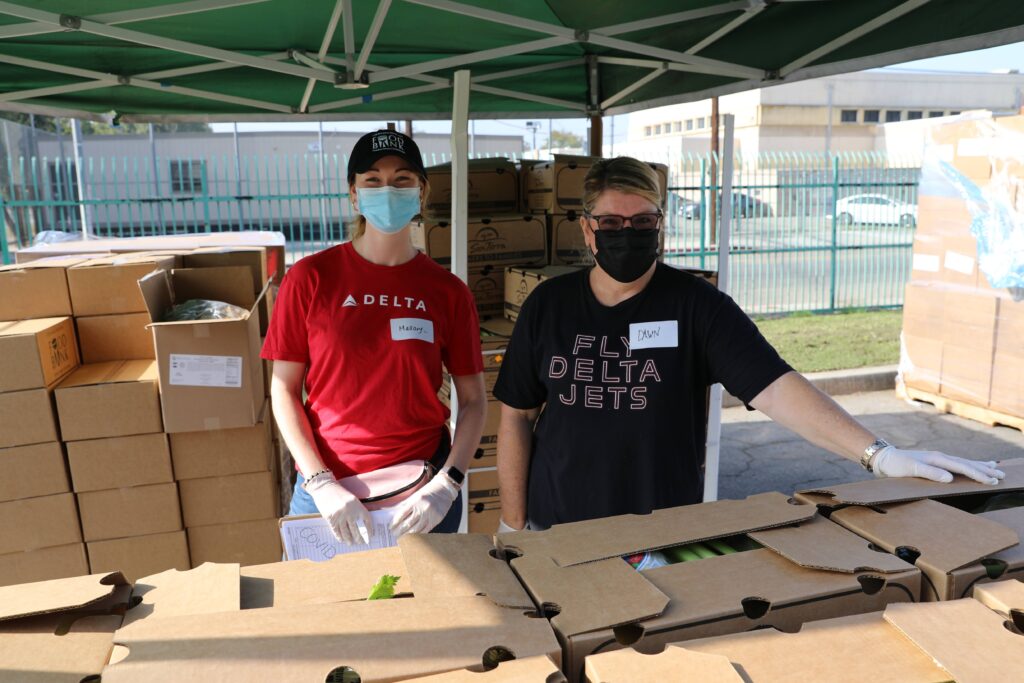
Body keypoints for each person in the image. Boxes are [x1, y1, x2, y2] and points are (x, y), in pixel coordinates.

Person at [493, 156, 1005, 532]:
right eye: (611, 223)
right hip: (555, 525)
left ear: (662, 229)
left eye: (643, 222)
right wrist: (513, 526)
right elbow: (516, 414)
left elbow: (776, 389)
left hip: (661, 532)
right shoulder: (549, 304)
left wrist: (878, 455)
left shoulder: (696, 305)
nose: (627, 234)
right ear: (587, 230)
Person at [262, 129, 486, 545]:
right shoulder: (309, 279)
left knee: (428, 609)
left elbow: (473, 400)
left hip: (420, 493)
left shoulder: (447, 291)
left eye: (402, 179)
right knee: (324, 608)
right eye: (373, 180)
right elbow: (283, 389)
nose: (388, 189)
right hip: (326, 494)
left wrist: (449, 483)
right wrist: (320, 481)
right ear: (353, 193)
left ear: (421, 192)